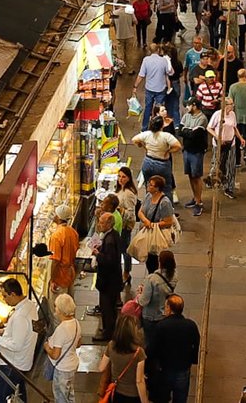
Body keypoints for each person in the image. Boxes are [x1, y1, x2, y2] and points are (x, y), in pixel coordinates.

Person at [0, 277, 39, 403]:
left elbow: (16, 345)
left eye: (5, 296)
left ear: (13, 294)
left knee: (2, 397)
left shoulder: (20, 316)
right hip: (22, 362)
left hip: (12, 364)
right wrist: (5, 331)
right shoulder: (30, 306)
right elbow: (26, 331)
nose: (4, 300)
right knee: (19, 393)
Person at [145, 294, 201, 403]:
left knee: (162, 397)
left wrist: (148, 366)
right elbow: (197, 345)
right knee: (180, 398)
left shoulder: (161, 326)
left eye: (166, 306)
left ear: (170, 309)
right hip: (183, 369)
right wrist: (193, 360)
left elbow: (152, 349)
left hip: (164, 369)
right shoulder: (191, 325)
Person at [98, 314, 149, 403]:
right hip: (132, 395)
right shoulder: (138, 352)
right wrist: (145, 401)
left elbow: (101, 368)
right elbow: (139, 381)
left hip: (115, 392)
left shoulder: (111, 345)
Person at [43, 293, 81, 403]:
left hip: (62, 368)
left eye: (56, 306)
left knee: (60, 396)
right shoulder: (76, 323)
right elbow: (78, 344)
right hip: (72, 364)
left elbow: (55, 355)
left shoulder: (62, 329)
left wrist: (46, 347)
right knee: (69, 393)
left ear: (60, 310)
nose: (55, 308)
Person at [136, 176, 178, 273]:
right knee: (149, 258)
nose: (148, 186)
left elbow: (168, 221)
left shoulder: (165, 202)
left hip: (155, 235)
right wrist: (146, 221)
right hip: (146, 232)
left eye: (151, 185)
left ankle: (154, 276)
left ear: (157, 188)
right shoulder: (148, 196)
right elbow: (140, 211)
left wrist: (152, 225)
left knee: (153, 259)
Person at [94, 211, 124, 341]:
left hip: (108, 281)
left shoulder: (110, 240)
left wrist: (97, 254)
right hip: (113, 280)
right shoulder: (113, 235)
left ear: (108, 224)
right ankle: (108, 329)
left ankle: (108, 333)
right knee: (109, 307)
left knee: (107, 308)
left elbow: (109, 261)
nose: (99, 224)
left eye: (101, 222)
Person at [176, 100, 209, 214]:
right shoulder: (186, 116)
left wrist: (187, 130)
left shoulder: (202, 118)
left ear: (194, 106)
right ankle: (195, 198)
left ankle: (199, 202)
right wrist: (188, 131)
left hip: (197, 152)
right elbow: (180, 131)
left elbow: (195, 135)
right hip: (187, 150)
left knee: (197, 176)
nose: (186, 107)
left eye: (188, 105)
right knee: (190, 175)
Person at [207, 96, 243, 198]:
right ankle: (213, 179)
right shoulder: (217, 115)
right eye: (231, 104)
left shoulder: (232, 114)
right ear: (225, 105)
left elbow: (234, 127)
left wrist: (240, 138)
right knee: (216, 163)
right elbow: (209, 128)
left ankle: (229, 187)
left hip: (230, 144)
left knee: (231, 166)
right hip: (219, 144)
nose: (233, 106)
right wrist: (217, 137)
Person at [132, 118, 180, 191]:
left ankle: (150, 201)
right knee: (166, 187)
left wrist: (142, 146)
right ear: (162, 126)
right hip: (162, 164)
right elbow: (178, 146)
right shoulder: (166, 136)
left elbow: (134, 139)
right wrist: (168, 151)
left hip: (148, 162)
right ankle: (165, 201)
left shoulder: (147, 134)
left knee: (149, 186)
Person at [46, 205, 80, 305]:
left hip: (60, 277)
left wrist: (52, 280)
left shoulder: (56, 236)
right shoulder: (73, 232)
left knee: (58, 309)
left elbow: (55, 260)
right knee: (68, 305)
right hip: (70, 273)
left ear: (59, 218)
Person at [137, 249, 177, 327]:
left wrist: (139, 294)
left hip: (151, 317)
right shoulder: (174, 276)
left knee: (149, 338)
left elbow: (143, 301)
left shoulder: (152, 279)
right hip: (165, 314)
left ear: (160, 263)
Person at [138, 43, 174, 130]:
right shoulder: (163, 61)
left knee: (148, 108)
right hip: (160, 89)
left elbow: (141, 75)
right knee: (160, 109)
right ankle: (158, 127)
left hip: (149, 88)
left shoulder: (146, 60)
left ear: (150, 51)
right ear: (158, 50)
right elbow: (169, 73)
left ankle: (144, 127)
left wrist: (135, 86)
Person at [114, 167, 139, 283]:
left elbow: (130, 212)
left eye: (123, 177)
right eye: (119, 176)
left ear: (129, 178)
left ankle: (126, 272)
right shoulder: (120, 190)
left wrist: (120, 215)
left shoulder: (128, 193)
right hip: (119, 224)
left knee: (125, 249)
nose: (120, 179)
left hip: (125, 225)